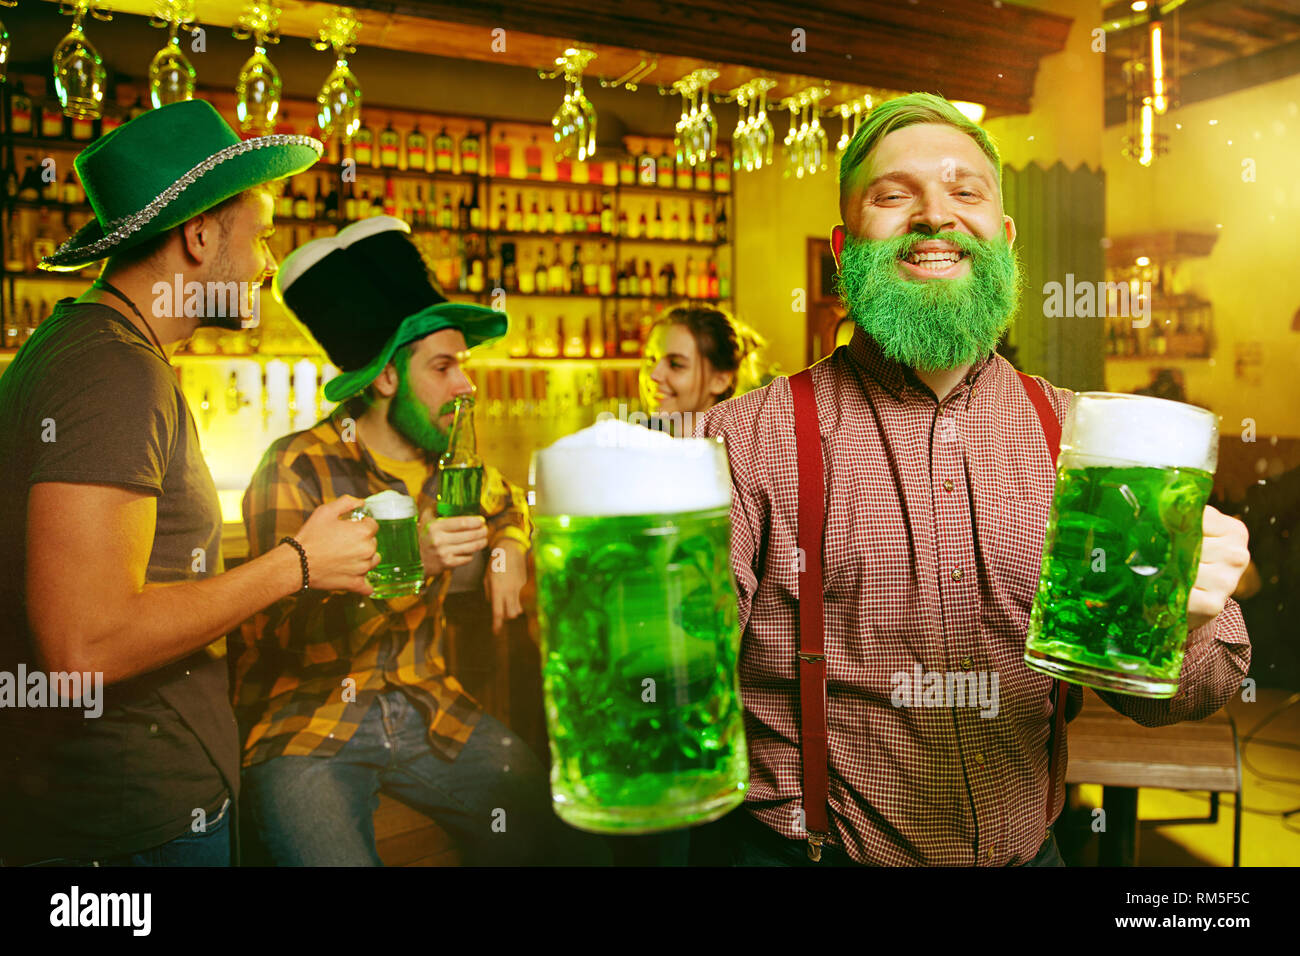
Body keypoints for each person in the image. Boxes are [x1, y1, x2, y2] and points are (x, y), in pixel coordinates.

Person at [696, 92, 1252, 866]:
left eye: (966, 192)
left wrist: (1184, 621)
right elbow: (672, 687)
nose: (935, 216)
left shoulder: (1086, 442)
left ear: (1004, 237)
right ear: (842, 244)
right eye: (893, 195)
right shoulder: (745, 439)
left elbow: (1177, 703)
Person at [0, 100, 379, 867]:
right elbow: (83, 648)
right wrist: (298, 565)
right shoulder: (112, 370)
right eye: (263, 236)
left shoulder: (86, 348)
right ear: (201, 237)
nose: (271, 265)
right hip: (132, 823)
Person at [234, 216, 601, 865]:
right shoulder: (297, 467)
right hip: (309, 725)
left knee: (557, 832)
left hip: (429, 711)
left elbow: (509, 498)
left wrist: (509, 544)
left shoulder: (452, 467)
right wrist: (412, 561)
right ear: (384, 379)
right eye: (444, 366)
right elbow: (284, 634)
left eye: (462, 363)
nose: (466, 384)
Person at [640, 305, 766, 436]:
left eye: (676, 364)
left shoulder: (738, 452)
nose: (654, 374)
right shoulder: (638, 441)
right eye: (651, 360)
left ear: (719, 380)